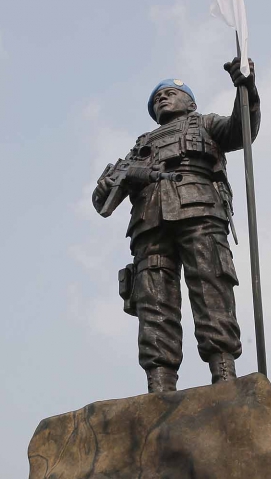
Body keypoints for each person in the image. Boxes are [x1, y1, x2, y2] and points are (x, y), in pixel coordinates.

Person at [92, 58, 261, 393]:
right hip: (149, 224)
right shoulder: (139, 146)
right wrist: (108, 184)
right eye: (157, 97)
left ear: (190, 103)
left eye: (170, 93)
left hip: (200, 212)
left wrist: (246, 87)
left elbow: (243, 130)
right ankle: (160, 386)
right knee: (154, 303)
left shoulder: (206, 123)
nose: (162, 99)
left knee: (211, 287)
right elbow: (103, 201)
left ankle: (224, 374)